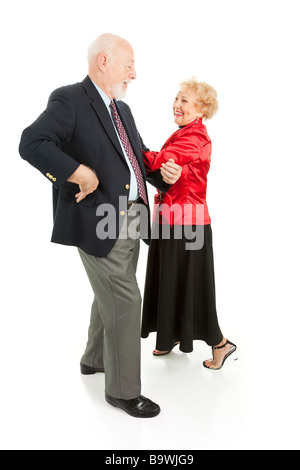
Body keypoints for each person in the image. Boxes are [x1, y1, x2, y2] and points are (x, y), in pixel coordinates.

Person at [19, 33, 182, 418]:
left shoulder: (122, 110)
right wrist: (77, 173)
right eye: (129, 65)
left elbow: (136, 159)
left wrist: (163, 175)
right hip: (98, 219)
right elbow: (32, 143)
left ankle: (94, 358)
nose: (135, 74)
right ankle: (123, 390)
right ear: (104, 62)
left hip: (132, 218)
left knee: (110, 289)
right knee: (126, 298)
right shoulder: (69, 99)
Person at [141, 77, 237, 370]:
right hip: (172, 220)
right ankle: (169, 336)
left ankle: (221, 344)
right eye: (177, 98)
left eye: (185, 100)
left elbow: (162, 160)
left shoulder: (196, 137)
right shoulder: (184, 132)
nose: (177, 104)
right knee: (170, 279)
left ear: (201, 110)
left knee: (193, 286)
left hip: (188, 224)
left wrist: (132, 149)